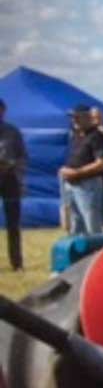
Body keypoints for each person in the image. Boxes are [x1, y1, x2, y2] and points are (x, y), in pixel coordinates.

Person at [61, 106, 103, 236]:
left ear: (87, 118)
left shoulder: (97, 136)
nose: (74, 120)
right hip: (72, 184)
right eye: (72, 117)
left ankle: (97, 247)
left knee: (92, 224)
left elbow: (101, 164)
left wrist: (77, 172)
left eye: (77, 117)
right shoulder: (76, 135)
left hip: (88, 185)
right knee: (76, 223)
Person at [0, 98, 28, 271]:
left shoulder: (13, 132)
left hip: (10, 179)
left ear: (3, 111)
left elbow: (23, 156)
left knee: (13, 223)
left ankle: (16, 263)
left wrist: (14, 168)